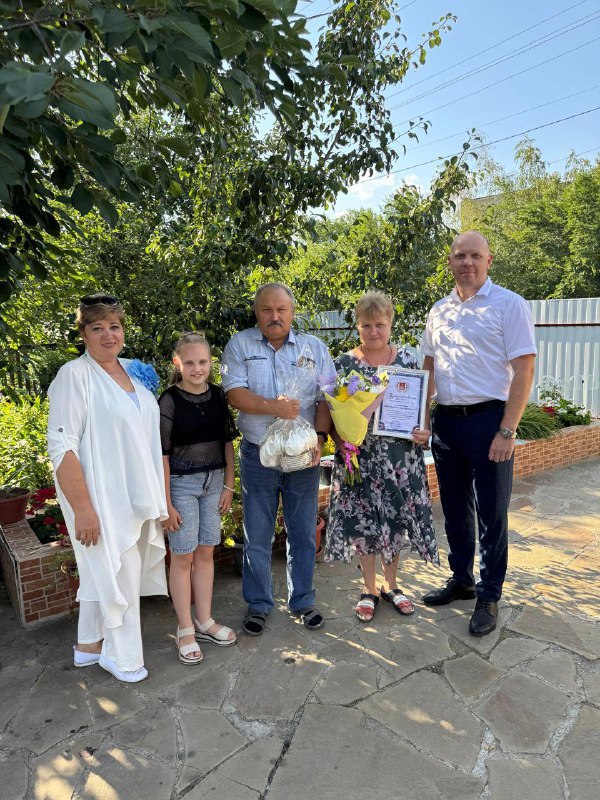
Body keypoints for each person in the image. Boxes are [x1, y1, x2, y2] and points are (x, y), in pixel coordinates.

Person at [47, 294, 168, 682]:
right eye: (97, 327)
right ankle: (124, 657)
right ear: (83, 334)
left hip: (135, 494)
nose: (107, 335)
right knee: (120, 574)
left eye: (114, 326)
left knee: (103, 571)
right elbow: (62, 446)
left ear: (123, 331)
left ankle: (88, 646)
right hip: (102, 497)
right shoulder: (74, 376)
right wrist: (83, 509)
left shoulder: (133, 372)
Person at [421, 231, 536, 636]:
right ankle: (462, 579)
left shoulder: (509, 304)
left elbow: (524, 369)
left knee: (491, 513)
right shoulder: (439, 311)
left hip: (490, 422)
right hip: (447, 424)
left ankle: (489, 594)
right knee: (454, 510)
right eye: (459, 256)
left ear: (489, 261)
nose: (466, 262)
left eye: (474, 255)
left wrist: (508, 429)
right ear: (450, 262)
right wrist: (421, 418)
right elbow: (428, 369)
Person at [221, 283, 336, 636]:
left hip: (303, 457)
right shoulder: (240, 344)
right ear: (257, 313)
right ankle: (258, 604)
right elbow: (233, 393)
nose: (275, 316)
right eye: (267, 309)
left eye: (281, 309)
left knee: (302, 533)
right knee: (257, 534)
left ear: (292, 312)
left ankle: (303, 600)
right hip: (259, 454)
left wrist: (319, 439)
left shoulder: (314, 348)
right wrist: (274, 407)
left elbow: (327, 397)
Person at [325, 291, 439, 622]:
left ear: (390, 323)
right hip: (359, 459)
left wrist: (423, 430)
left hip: (401, 459)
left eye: (380, 324)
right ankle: (369, 588)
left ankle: (391, 585)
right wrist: (341, 442)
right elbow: (331, 412)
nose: (373, 331)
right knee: (364, 522)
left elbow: (422, 404)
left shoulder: (407, 361)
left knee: (395, 519)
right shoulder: (344, 364)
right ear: (357, 326)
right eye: (366, 325)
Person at [159, 333, 238, 664]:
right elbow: (162, 455)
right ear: (177, 363)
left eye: (203, 362)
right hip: (181, 486)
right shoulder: (169, 400)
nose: (197, 368)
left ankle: (204, 621)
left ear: (210, 362)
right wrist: (166, 504)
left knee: (206, 552)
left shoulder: (218, 395)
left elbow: (227, 443)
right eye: (189, 362)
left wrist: (229, 486)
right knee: (183, 556)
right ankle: (185, 628)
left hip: (214, 483)